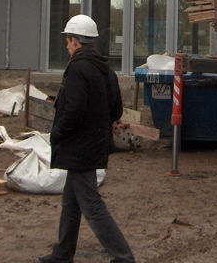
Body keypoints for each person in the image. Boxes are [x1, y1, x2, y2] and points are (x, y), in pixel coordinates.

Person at [40, 14, 135, 263]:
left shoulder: (78, 69)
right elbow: (115, 111)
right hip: (94, 145)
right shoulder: (106, 69)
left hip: (79, 147)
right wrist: (97, 127)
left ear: (75, 41)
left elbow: (74, 110)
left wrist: (57, 133)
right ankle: (62, 254)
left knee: (92, 205)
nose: (66, 45)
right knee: (71, 202)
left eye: (68, 40)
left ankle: (123, 256)